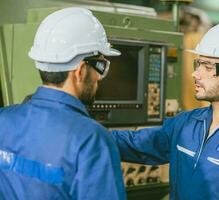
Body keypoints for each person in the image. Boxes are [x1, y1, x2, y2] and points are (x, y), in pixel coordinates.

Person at [111, 20, 219, 199]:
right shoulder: (186, 124)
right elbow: (134, 144)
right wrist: (89, 133)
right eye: (199, 64)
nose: (195, 74)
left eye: (208, 66)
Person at [0, 7, 126, 199]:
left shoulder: (4, 119)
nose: (99, 78)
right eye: (100, 66)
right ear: (81, 71)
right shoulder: (91, 140)